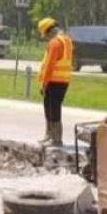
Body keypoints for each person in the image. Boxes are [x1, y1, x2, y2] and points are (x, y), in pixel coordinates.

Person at [36, 17, 73, 147]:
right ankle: (50, 136)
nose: (45, 38)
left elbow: (49, 66)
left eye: (45, 34)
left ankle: (55, 139)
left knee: (52, 109)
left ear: (49, 31)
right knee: (51, 107)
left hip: (54, 81)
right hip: (63, 80)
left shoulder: (55, 43)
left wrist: (44, 83)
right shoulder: (66, 40)